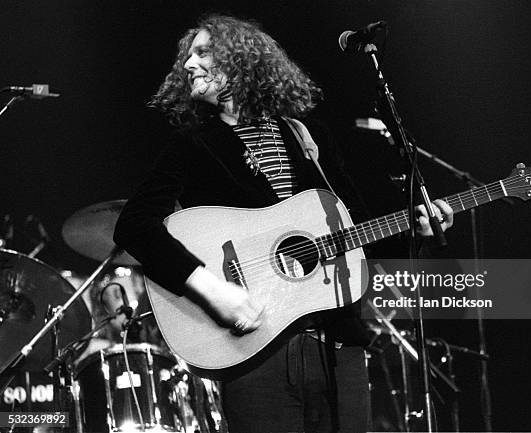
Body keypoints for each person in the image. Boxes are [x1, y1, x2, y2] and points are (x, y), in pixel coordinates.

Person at [113, 13, 453, 433]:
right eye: (188, 55)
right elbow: (134, 226)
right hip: (256, 354)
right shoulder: (193, 146)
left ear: (241, 60)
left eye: (202, 52)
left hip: (338, 344)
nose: (187, 64)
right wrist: (211, 288)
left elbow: (356, 234)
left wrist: (414, 234)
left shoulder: (309, 138)